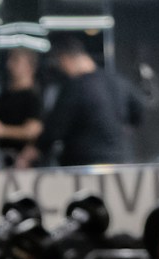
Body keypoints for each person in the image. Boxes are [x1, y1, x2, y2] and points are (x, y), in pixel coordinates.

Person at [18, 35, 144, 168]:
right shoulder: (118, 81)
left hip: (83, 164)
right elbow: (139, 112)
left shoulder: (75, 87)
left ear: (65, 58)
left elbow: (55, 127)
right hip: (118, 160)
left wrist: (34, 151)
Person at [0, 46, 45, 165]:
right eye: (10, 60)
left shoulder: (33, 97)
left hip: (21, 163)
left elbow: (33, 130)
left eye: (16, 60)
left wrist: (2, 131)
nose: (9, 65)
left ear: (29, 66)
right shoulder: (3, 97)